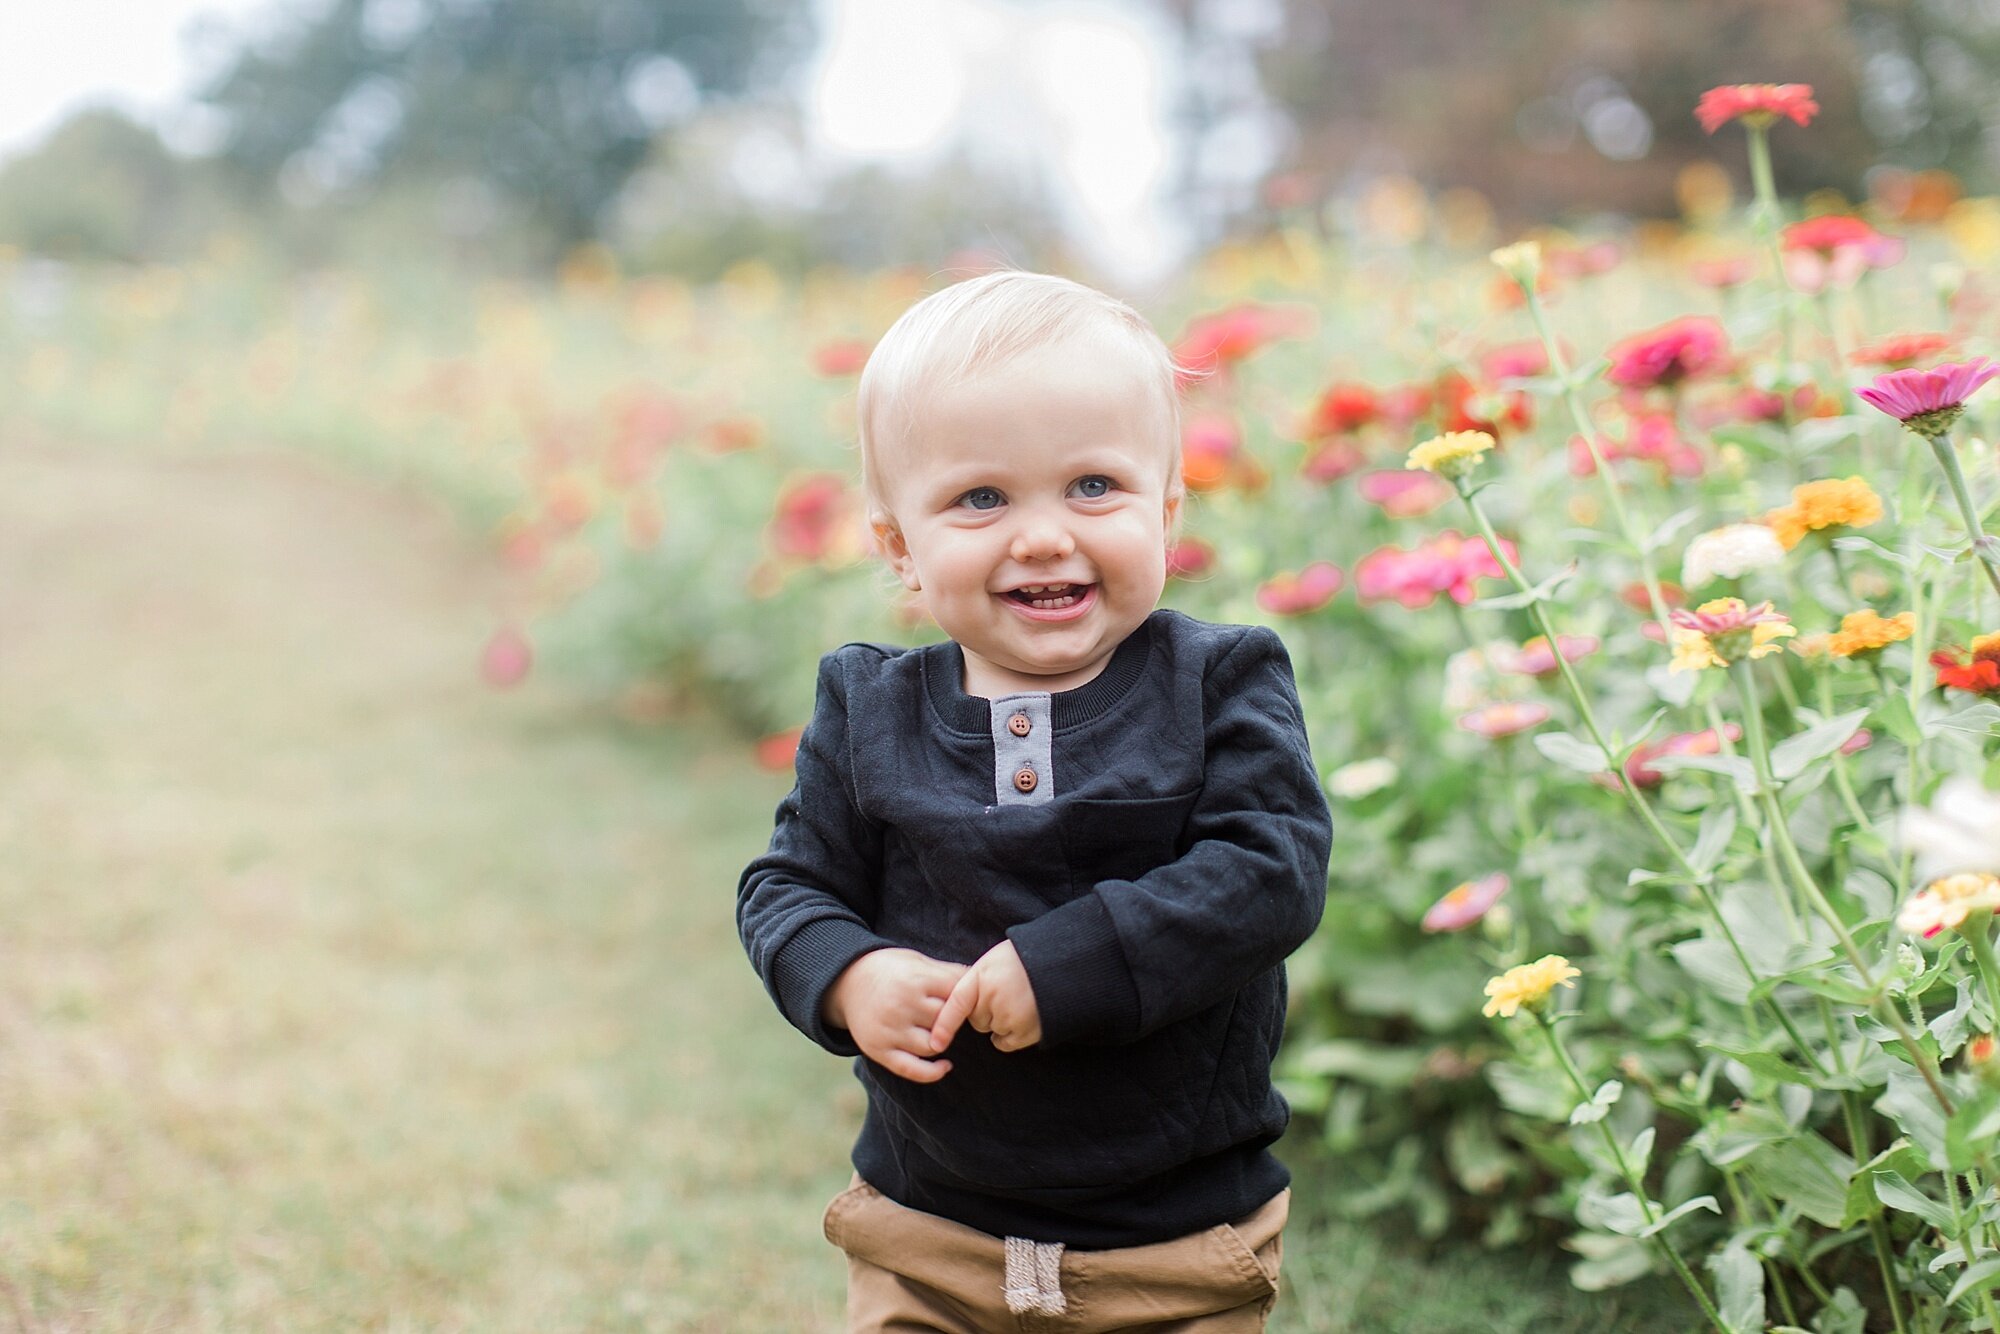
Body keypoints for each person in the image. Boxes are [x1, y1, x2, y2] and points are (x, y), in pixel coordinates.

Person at [737, 269, 1332, 1332]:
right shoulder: (868, 705)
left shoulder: (1219, 681)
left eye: (1093, 486)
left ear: (1166, 508)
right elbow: (787, 886)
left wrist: (1068, 964)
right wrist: (847, 972)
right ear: (897, 549)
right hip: (927, 1227)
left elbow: (1269, 869)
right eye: (981, 497)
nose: (1044, 534)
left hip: (1173, 1233)